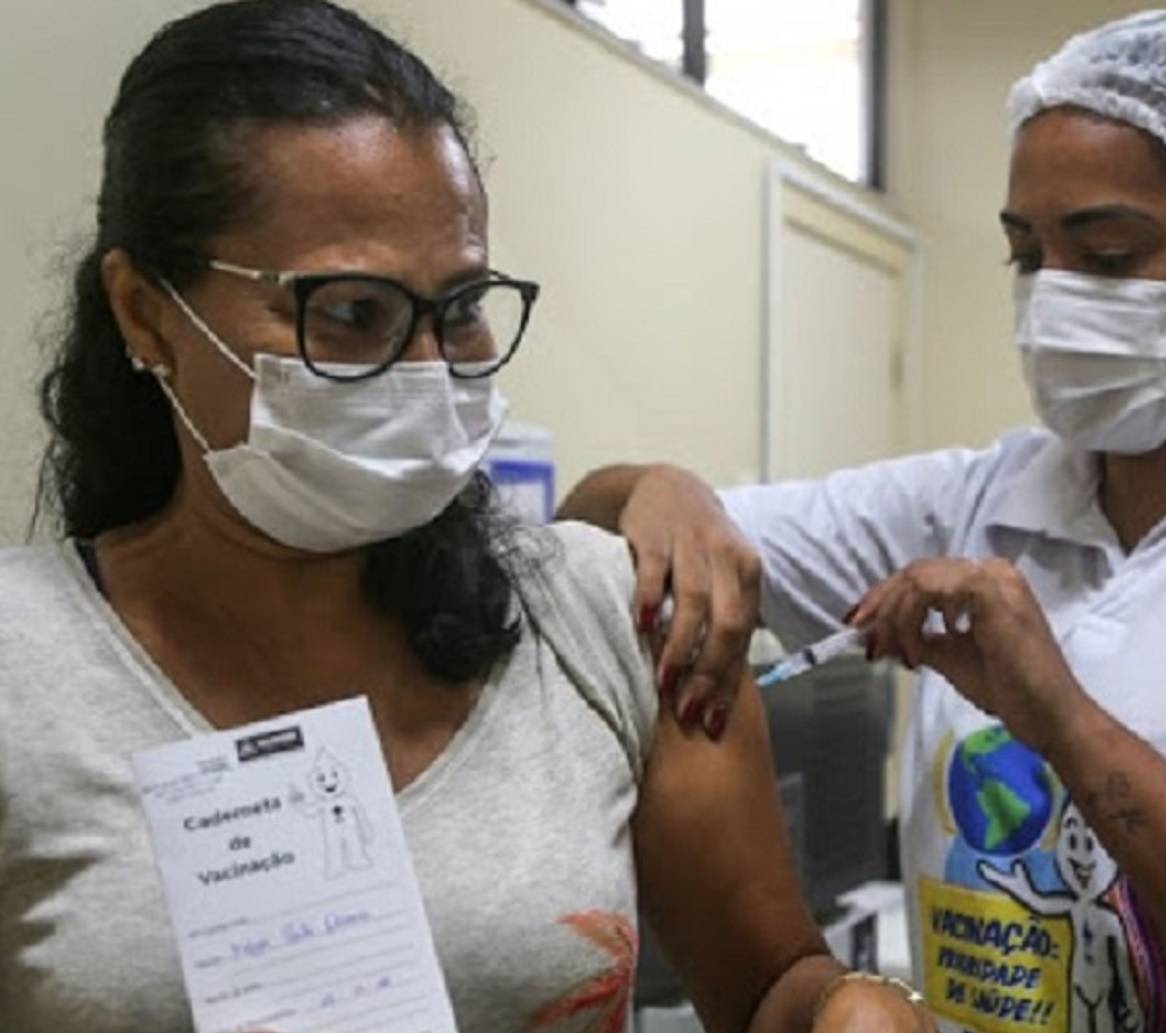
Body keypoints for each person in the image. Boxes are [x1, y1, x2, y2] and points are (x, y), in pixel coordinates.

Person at [0, 3, 937, 1032]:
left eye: (456, 311)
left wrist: (857, 1006)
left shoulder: (598, 620)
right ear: (145, 313)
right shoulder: (23, 668)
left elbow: (773, 985)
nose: (425, 376)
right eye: (350, 315)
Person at [559, 10, 1166, 1033]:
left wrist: (1062, 722)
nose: (1053, 301)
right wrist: (655, 486)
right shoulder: (970, 506)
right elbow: (597, 538)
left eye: (1108, 254)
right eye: (1026, 256)